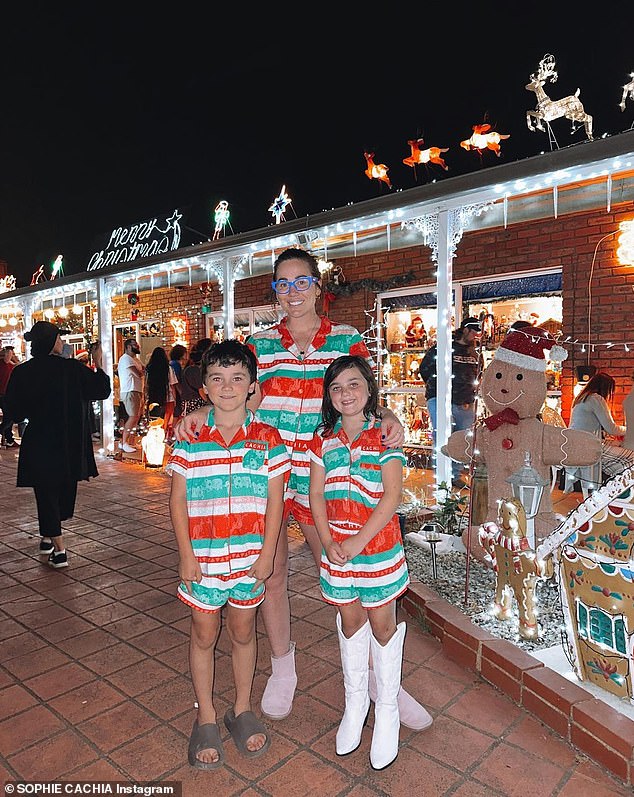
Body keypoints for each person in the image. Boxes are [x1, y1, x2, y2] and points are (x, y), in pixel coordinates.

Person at [174, 247, 431, 732]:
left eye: (300, 282)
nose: (292, 292)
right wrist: (197, 414)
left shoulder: (347, 338)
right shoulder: (260, 344)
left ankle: (384, 684)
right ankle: (282, 666)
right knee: (268, 575)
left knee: (348, 573)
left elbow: (364, 392)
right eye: (282, 284)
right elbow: (234, 396)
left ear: (318, 286)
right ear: (275, 291)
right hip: (264, 477)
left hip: (324, 480)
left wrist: (390, 417)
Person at [166, 340, 290, 769]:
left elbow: (276, 502)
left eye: (238, 378)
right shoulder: (191, 436)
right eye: (217, 378)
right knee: (204, 635)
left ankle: (241, 708)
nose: (228, 386)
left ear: (252, 386)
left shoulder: (269, 439)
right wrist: (186, 555)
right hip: (202, 560)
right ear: (204, 387)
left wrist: (268, 554)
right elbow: (177, 499)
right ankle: (205, 716)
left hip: (250, 561)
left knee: (242, 633)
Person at [309, 355, 415, 770]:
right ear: (328, 396)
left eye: (353, 385)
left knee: (381, 623)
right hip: (337, 549)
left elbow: (391, 497)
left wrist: (357, 542)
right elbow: (316, 494)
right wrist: (329, 540)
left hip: (377, 549)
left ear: (369, 389)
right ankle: (355, 705)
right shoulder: (324, 439)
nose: (345, 394)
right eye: (336, 388)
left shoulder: (384, 438)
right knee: (350, 621)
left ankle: (386, 710)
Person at [4, 321, 111, 568]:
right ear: (51, 342)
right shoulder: (71, 369)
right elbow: (101, 390)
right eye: (59, 339)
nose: (62, 343)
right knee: (60, 491)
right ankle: (60, 549)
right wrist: (99, 364)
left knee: (46, 492)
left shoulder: (22, 372)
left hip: (40, 440)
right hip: (68, 442)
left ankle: (47, 536)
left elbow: (14, 409)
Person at [418, 316, 482, 488]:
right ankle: (443, 476)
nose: (475, 335)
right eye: (474, 331)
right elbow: (425, 368)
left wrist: (469, 395)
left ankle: (455, 474)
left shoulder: (474, 353)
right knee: (443, 438)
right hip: (441, 399)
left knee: (462, 439)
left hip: (465, 402)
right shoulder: (443, 348)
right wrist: (437, 388)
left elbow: (478, 375)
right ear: (466, 330)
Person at [568, 371, 634, 487]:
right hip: (588, 447)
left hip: (576, 444)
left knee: (619, 445)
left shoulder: (581, 398)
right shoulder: (596, 399)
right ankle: (618, 487)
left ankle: (615, 483)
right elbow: (612, 429)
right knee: (631, 456)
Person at [117, 338, 145, 453]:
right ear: (128, 346)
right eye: (135, 345)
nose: (137, 346)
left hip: (137, 390)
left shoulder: (135, 360)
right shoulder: (125, 359)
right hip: (130, 390)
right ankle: (124, 442)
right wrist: (142, 372)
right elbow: (138, 373)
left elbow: (144, 370)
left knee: (136, 417)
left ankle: (130, 441)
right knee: (132, 416)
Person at [144, 346, 178, 431]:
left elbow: (146, 384)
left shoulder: (149, 369)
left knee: (155, 419)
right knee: (166, 420)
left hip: (153, 396)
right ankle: (164, 435)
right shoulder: (168, 368)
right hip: (168, 397)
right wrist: (175, 399)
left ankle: (154, 435)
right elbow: (172, 385)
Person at [179, 338, 212, 417]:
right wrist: (210, 404)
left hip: (194, 402)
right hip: (194, 403)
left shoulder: (192, 368)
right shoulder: (194, 370)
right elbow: (201, 390)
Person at [0, 346, 20, 447]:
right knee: (9, 416)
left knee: (9, 416)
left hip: (6, 394)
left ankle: (9, 439)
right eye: (8, 353)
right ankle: (7, 438)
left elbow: (19, 365)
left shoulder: (11, 366)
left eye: (11, 353)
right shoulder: (2, 364)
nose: (9, 355)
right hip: (2, 394)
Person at [169, 344, 188, 420]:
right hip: (175, 392)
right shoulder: (176, 364)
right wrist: (181, 392)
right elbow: (175, 380)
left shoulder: (172, 363)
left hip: (173, 390)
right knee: (177, 412)